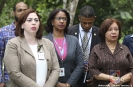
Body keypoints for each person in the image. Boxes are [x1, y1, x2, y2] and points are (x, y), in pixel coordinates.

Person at [3, 9, 60, 87]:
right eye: (29, 20)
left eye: (36, 20)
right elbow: (14, 72)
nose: (33, 23)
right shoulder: (13, 44)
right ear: (22, 25)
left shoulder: (48, 43)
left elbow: (56, 69)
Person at [44, 8, 84, 87]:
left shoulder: (74, 40)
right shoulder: (44, 41)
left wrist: (69, 84)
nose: (62, 21)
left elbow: (80, 65)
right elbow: (41, 66)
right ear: (52, 21)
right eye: (59, 18)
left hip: (71, 84)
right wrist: (56, 83)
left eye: (64, 19)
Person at [89, 18, 133, 87]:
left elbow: (132, 69)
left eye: (116, 29)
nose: (114, 32)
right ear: (104, 32)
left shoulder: (125, 49)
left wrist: (120, 81)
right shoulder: (96, 49)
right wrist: (111, 78)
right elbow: (92, 70)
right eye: (110, 30)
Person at [68, 5, 101, 87]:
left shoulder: (100, 33)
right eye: (84, 23)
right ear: (79, 18)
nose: (87, 25)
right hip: (72, 75)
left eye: (90, 23)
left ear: (94, 18)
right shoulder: (69, 31)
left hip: (91, 76)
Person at [0, 1, 28, 87]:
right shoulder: (4, 32)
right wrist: (1, 80)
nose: (23, 13)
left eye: (25, 10)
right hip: (10, 81)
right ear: (14, 13)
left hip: (31, 80)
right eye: (19, 10)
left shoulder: (34, 32)